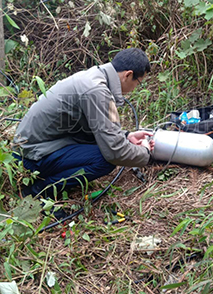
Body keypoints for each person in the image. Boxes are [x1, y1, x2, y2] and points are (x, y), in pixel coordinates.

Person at [12, 48, 154, 199]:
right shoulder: (97, 91)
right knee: (105, 160)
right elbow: (115, 151)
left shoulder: (95, 77)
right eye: (138, 83)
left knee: (103, 146)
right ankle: (38, 192)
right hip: (31, 156)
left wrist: (127, 136)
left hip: (33, 146)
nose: (135, 89)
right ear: (128, 75)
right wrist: (145, 154)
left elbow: (98, 126)